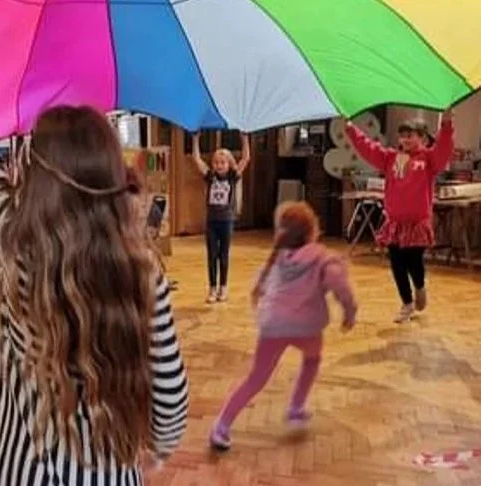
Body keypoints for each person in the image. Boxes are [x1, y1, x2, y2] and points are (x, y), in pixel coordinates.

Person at [0, 5, 189, 486]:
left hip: (35, 468)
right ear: (112, 175)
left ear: (35, 174)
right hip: (108, 485)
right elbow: (171, 395)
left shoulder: (15, 236)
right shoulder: (141, 272)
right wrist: (158, 446)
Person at [209, 201, 357, 451]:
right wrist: (349, 313)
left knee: (256, 378)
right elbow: (341, 287)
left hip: (273, 327)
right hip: (307, 328)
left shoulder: (278, 255)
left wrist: (261, 297)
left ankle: (221, 426)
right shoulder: (322, 257)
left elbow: (263, 282)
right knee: (312, 360)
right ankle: (296, 407)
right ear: (313, 230)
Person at [345, 111, 454, 323]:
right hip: (395, 223)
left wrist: (447, 123)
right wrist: (350, 129)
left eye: (410, 135)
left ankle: (420, 286)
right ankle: (407, 303)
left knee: (414, 262)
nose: (405, 139)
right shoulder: (391, 158)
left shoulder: (429, 159)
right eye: (402, 135)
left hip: (417, 223)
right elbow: (368, 148)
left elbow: (444, 148)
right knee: (397, 264)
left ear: (422, 138)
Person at [191, 132, 250, 303]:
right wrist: (195, 139)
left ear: (229, 163)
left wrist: (244, 139)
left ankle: (223, 288)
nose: (219, 165)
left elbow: (246, 158)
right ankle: (212, 288)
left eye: (223, 162)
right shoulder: (211, 177)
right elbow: (196, 159)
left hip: (226, 221)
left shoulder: (232, 177)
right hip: (212, 222)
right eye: (216, 162)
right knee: (211, 255)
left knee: (223, 255)